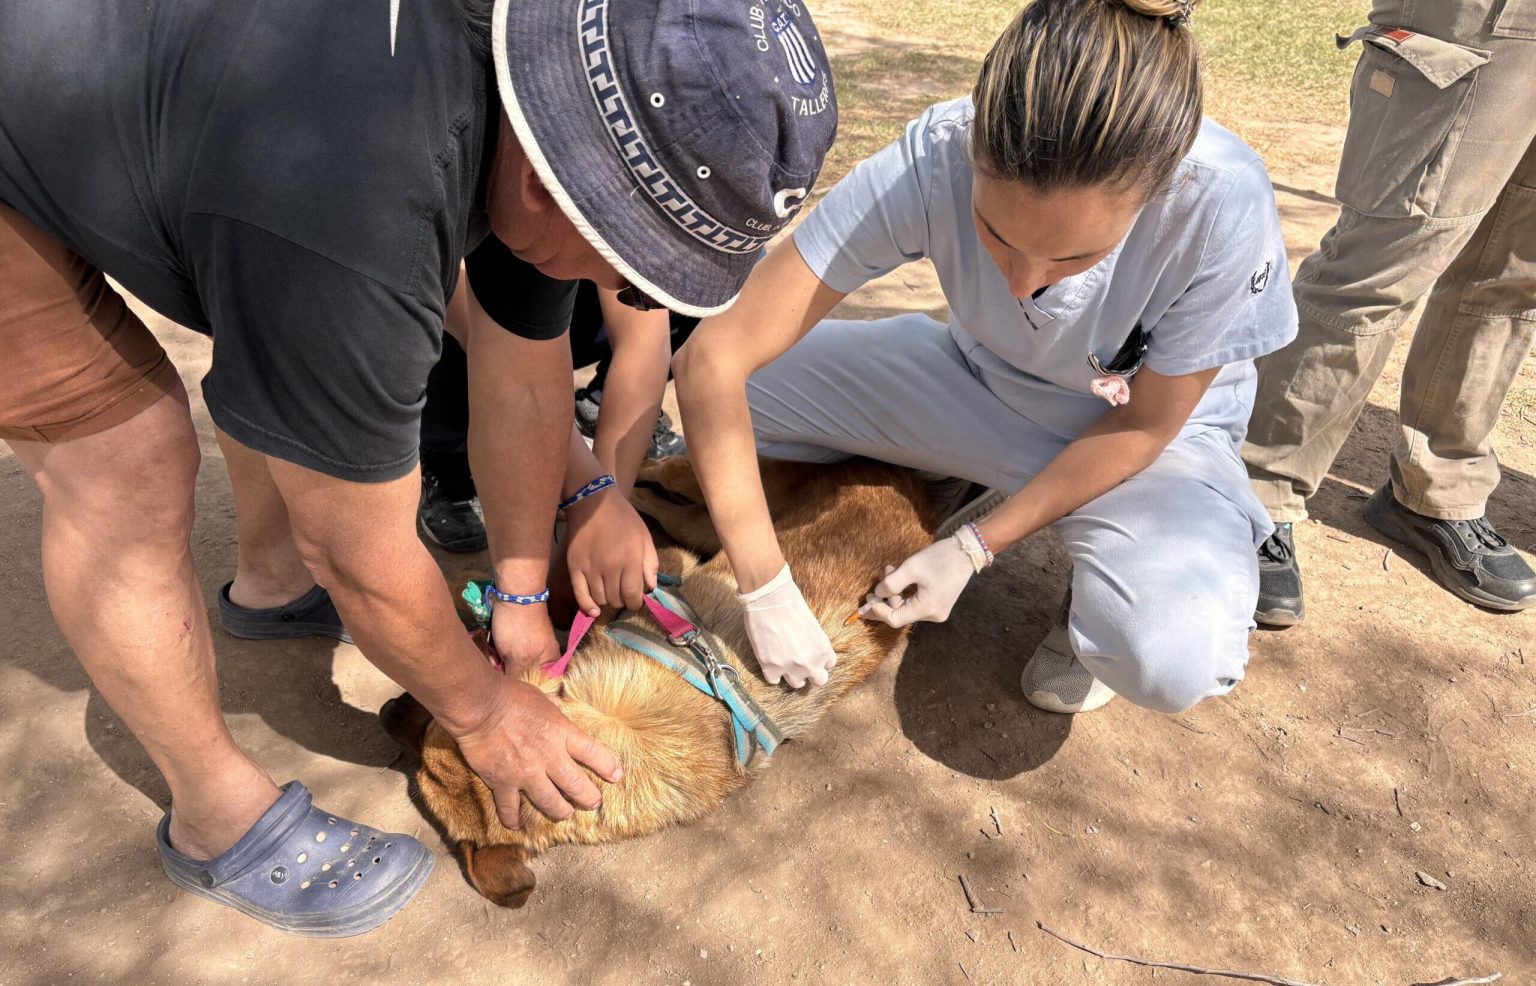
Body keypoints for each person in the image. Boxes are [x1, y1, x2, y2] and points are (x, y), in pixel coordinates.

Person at [0, 0, 834, 935]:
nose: (629, 297)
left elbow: (523, 374)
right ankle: (214, 818)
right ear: (545, 188)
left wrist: (523, 594)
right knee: (127, 467)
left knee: (289, 372)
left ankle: (271, 590)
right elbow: (354, 546)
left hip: (186, 111)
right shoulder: (354, 208)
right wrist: (483, 715)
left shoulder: (552, 101)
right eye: (635, 274)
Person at [675, 0, 1297, 715]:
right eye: (994, 235)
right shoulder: (938, 152)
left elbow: (1146, 425)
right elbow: (714, 356)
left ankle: (1091, 594)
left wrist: (974, 547)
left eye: (1076, 258)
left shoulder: (1220, 201)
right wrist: (763, 583)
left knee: (1168, 656)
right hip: (979, 383)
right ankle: (960, 468)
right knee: (745, 390)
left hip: (1144, 445)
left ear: (1161, 189)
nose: (1024, 284)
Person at [1242, 1, 1536, 624]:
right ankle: (1256, 490)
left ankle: (1440, 490)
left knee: (1512, 280)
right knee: (1380, 264)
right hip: (1483, 19)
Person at [417, 279, 692, 554]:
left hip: (554, 299)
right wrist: (586, 488)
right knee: (447, 325)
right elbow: (495, 343)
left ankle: (600, 412)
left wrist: (603, 507)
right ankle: (447, 453)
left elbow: (645, 343)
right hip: (461, 304)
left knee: (685, 296)